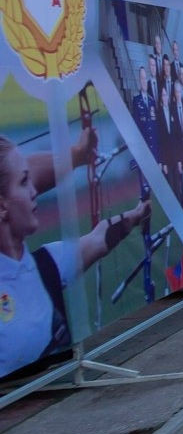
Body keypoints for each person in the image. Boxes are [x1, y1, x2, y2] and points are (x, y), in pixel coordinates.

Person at [0, 126, 146, 380]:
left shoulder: (47, 263)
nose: (34, 190)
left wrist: (136, 215)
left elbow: (99, 239)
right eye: (25, 183)